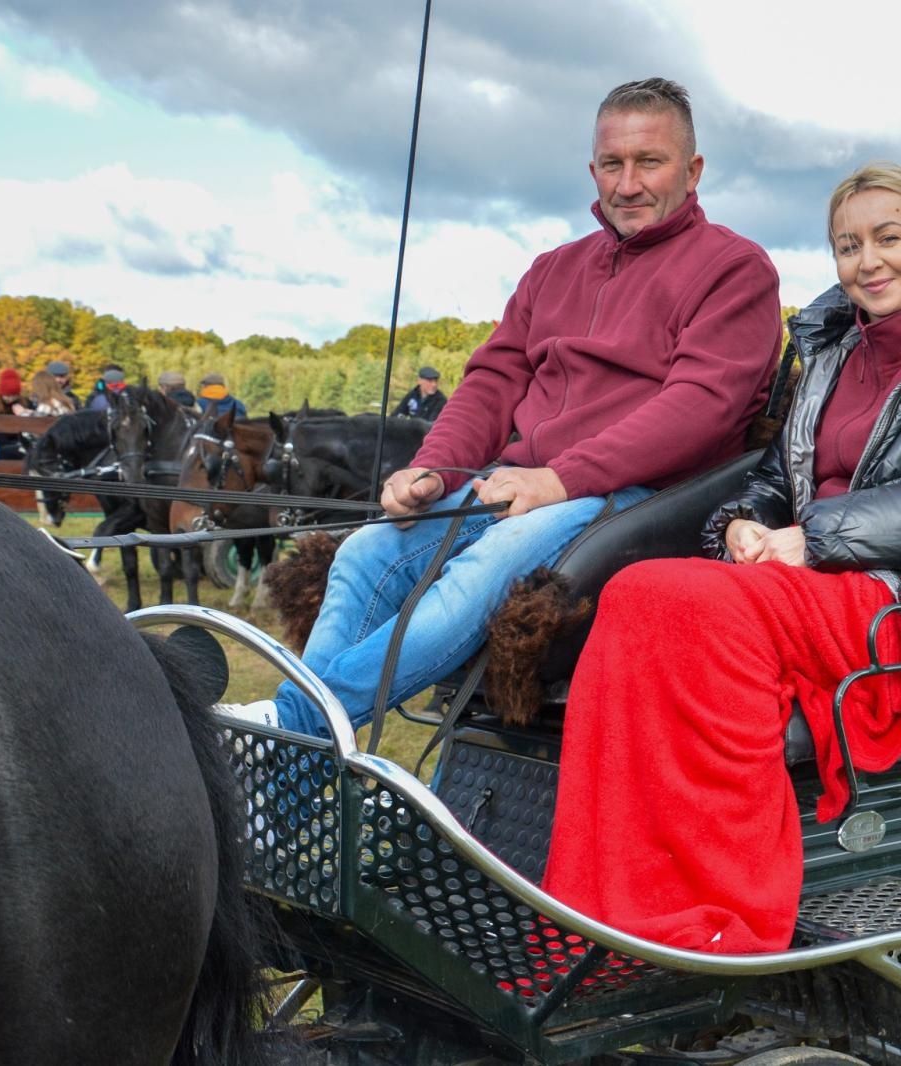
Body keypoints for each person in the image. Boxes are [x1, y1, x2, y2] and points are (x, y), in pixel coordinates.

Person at [541, 162, 901, 954]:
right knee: (633, 592)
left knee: (677, 601)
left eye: (888, 238)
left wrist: (814, 538)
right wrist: (744, 527)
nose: (868, 262)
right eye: (847, 246)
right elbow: (769, 483)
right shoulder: (829, 359)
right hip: (802, 584)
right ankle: (610, 896)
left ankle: (725, 907)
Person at [244, 77, 782, 733]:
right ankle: (288, 780)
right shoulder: (552, 270)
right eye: (613, 164)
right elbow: (493, 381)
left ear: (693, 170)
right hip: (523, 485)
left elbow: (702, 405)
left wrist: (562, 477)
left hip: (642, 496)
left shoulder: (736, 269)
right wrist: (435, 467)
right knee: (364, 553)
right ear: (593, 169)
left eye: (650, 162)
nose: (628, 184)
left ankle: (289, 728)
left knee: (485, 570)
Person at [0, 368, 35, 460]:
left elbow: (31, 430)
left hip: (16, 442)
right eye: (7, 395)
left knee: (24, 449)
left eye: (14, 395)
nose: (10, 399)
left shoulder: (26, 403)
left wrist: (24, 414)